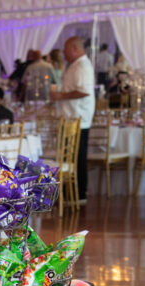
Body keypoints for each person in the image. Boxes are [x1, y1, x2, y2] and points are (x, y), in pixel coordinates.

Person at [50, 36, 94, 205]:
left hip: (78, 119)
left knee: (77, 157)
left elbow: (84, 91)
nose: (64, 53)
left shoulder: (82, 66)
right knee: (72, 157)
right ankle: (72, 194)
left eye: (66, 50)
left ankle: (79, 194)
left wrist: (61, 95)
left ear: (75, 49)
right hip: (72, 118)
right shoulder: (75, 65)